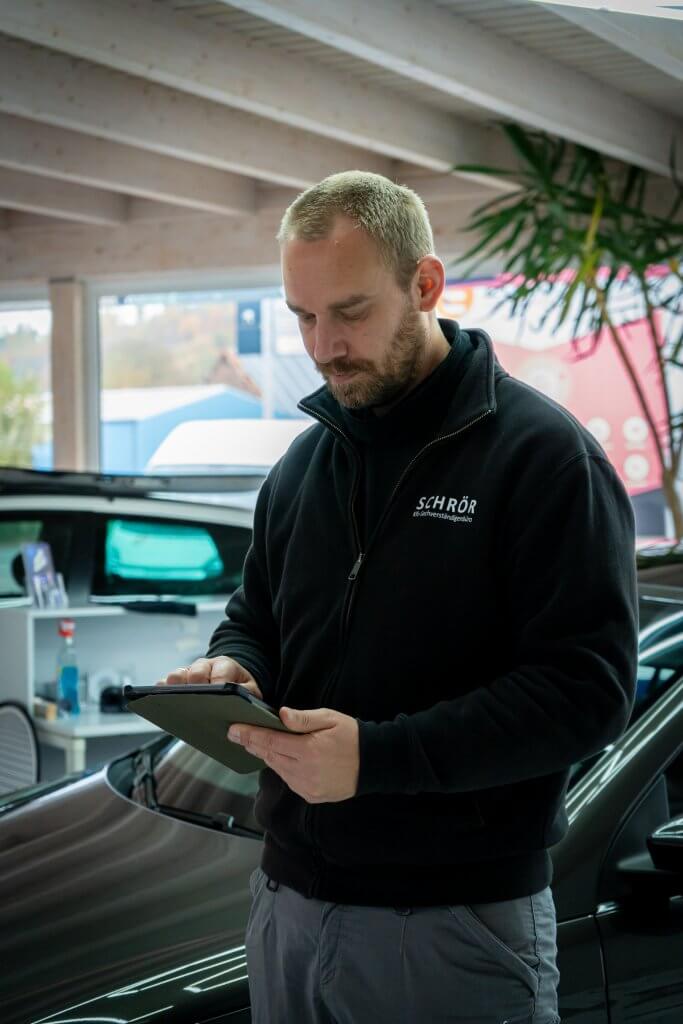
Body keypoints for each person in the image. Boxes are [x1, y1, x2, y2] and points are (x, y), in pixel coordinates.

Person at [161, 171, 638, 1023]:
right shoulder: (301, 468)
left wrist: (376, 758)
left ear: (424, 284)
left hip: (456, 922)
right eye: (303, 317)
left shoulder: (542, 460)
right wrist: (235, 664)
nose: (323, 346)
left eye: (349, 312)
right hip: (287, 903)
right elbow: (257, 616)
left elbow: (585, 693)